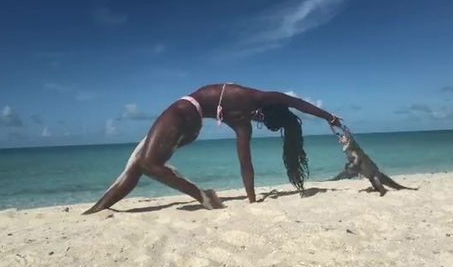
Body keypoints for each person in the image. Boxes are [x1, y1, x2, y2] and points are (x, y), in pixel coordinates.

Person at [82, 83, 342, 214]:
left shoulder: (243, 123)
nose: (260, 121)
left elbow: (245, 163)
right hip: (187, 117)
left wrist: (252, 200)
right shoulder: (255, 98)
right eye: (265, 119)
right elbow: (297, 103)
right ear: (267, 111)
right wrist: (328, 116)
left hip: (184, 115)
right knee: (139, 164)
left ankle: (203, 196)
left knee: (147, 163)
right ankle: (98, 208)